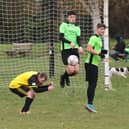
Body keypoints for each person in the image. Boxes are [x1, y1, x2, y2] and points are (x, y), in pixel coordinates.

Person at [84, 23, 107, 113]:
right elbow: (88, 49)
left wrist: (102, 53)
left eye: (104, 29)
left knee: (93, 84)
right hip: (90, 64)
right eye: (101, 29)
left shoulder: (99, 39)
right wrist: (98, 53)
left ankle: (90, 104)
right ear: (97, 29)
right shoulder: (93, 38)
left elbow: (96, 50)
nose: (103, 31)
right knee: (92, 84)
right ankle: (89, 104)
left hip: (94, 64)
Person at [59, 11, 83, 88]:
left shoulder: (77, 27)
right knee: (71, 70)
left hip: (74, 50)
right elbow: (61, 37)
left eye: (74, 17)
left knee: (76, 71)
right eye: (71, 17)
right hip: (66, 50)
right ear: (68, 18)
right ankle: (65, 78)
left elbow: (78, 39)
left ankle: (64, 76)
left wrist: (80, 46)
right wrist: (70, 42)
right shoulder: (63, 25)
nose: (73, 19)